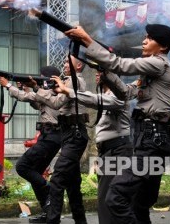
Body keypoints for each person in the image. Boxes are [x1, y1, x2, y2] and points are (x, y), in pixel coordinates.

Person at [66, 23, 170, 224]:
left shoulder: (158, 63)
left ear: (162, 47)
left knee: (116, 197)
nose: (144, 41)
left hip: (154, 140)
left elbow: (120, 65)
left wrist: (87, 41)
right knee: (139, 204)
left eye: (149, 38)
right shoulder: (150, 72)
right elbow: (126, 93)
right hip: (147, 138)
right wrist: (105, 72)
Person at [53, 70, 133, 224]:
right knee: (105, 198)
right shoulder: (108, 95)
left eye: (101, 73)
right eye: (97, 73)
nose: (97, 75)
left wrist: (67, 90)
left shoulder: (118, 95)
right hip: (108, 151)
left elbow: (94, 99)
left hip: (118, 151)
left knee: (111, 199)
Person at [0, 66, 63, 224]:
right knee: (35, 174)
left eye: (41, 78)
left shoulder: (55, 92)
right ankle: (48, 212)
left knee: (22, 166)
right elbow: (37, 103)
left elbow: (28, 98)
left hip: (51, 137)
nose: (38, 81)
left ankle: (48, 191)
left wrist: (8, 86)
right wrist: (27, 87)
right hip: (47, 137)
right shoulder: (47, 93)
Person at [33, 55, 88, 224]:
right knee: (72, 184)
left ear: (78, 66)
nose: (63, 64)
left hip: (74, 134)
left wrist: (37, 88)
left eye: (67, 62)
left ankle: (52, 220)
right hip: (69, 134)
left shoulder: (73, 81)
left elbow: (56, 103)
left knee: (57, 180)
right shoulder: (68, 81)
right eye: (63, 61)